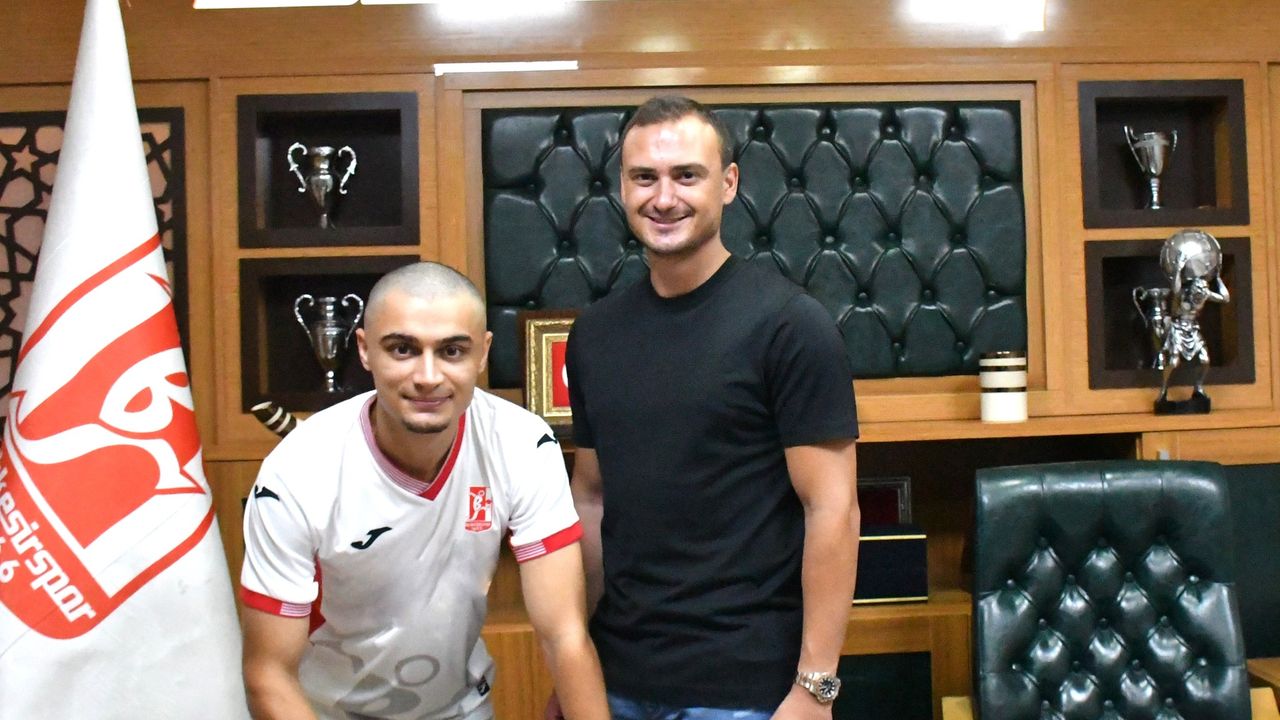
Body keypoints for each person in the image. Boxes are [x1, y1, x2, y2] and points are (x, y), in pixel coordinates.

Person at [565, 95, 861, 719]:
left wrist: (816, 689)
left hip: (747, 690)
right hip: (619, 681)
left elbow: (832, 509)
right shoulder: (593, 335)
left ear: (727, 184)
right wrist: (577, 668)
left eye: (686, 176)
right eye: (644, 177)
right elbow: (590, 499)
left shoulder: (790, 325)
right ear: (622, 187)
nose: (663, 197)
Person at [240, 262, 610, 720]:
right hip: (323, 710)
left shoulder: (522, 443)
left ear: (483, 354)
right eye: (403, 349)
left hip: (459, 707)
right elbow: (268, 674)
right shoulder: (297, 471)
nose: (428, 376)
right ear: (364, 350)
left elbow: (564, 636)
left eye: (452, 351)